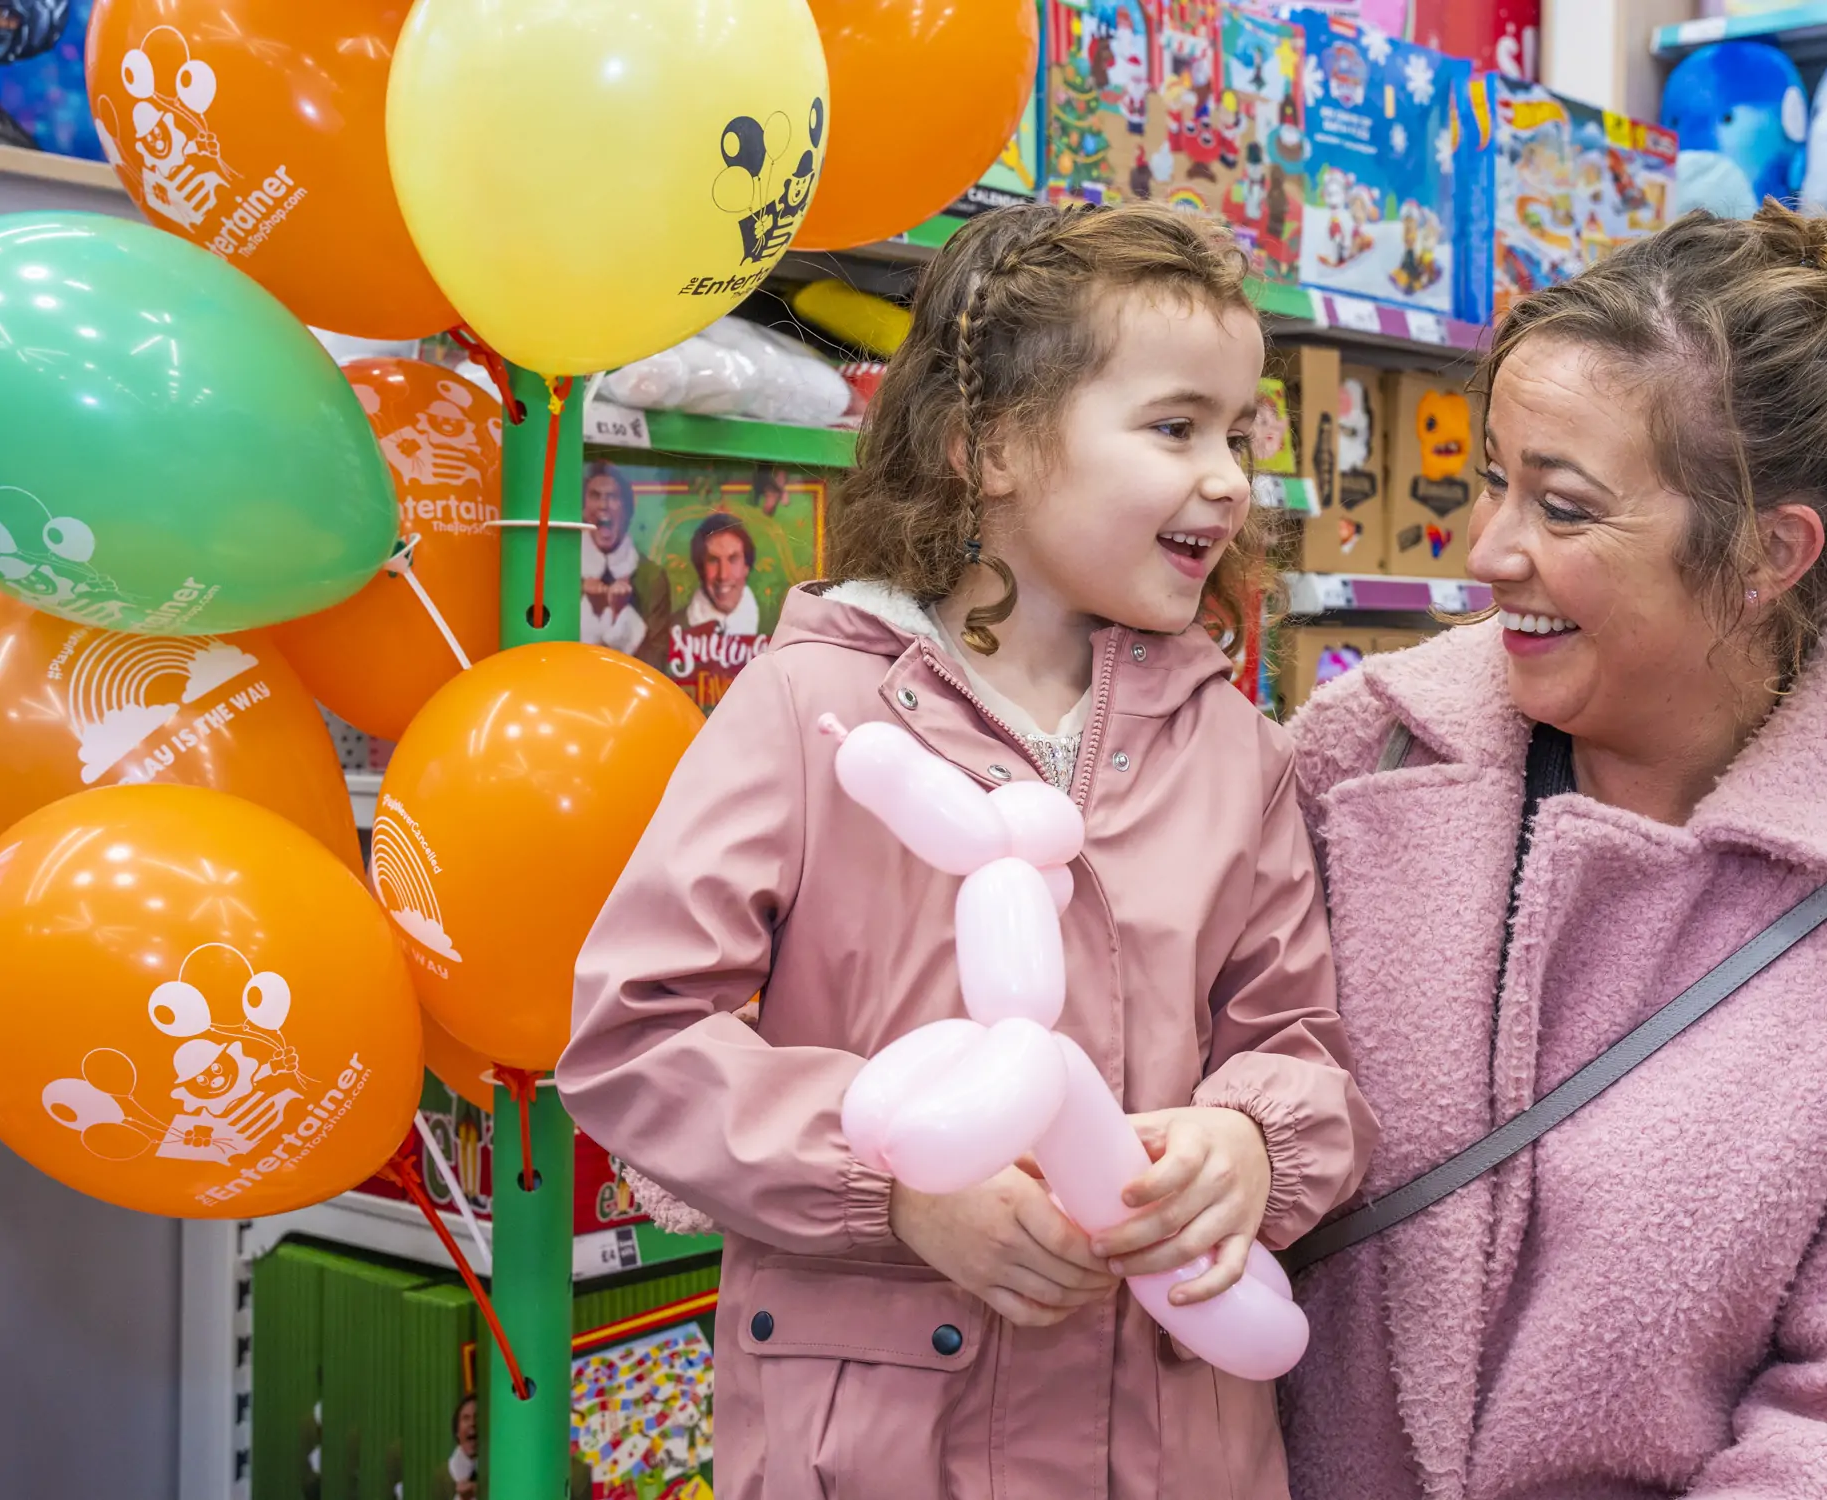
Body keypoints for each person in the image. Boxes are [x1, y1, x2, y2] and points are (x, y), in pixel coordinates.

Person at [556, 200, 1375, 1500]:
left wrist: (1252, 1145)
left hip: (1170, 1443)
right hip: (888, 1435)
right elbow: (638, 1034)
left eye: (1239, 433)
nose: (1227, 476)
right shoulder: (812, 711)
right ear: (987, 445)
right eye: (1175, 428)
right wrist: (889, 1188)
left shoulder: (1236, 750)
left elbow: (1300, 1045)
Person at [1283, 205, 1827, 1499]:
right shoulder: (1358, 758)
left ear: (1768, 552)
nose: (1488, 550)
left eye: (1564, 506)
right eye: (1494, 477)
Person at [580, 459, 675, 670]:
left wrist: (621, 615)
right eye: (595, 495)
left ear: (627, 510)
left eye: (613, 497)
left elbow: (656, 664)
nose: (603, 505)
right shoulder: (564, 571)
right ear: (584, 508)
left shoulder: (651, 577)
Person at [684, 511, 760, 637]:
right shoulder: (674, 629)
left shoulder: (775, 627)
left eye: (733, 559)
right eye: (713, 560)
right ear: (701, 568)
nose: (723, 575)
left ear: (746, 566)